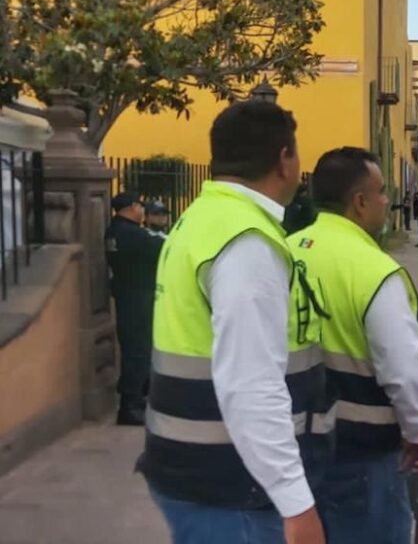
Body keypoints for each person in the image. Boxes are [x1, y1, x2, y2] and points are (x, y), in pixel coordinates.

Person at [138, 101, 327, 544]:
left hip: (195, 470)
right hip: (231, 487)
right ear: (284, 159)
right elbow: (250, 383)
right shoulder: (247, 242)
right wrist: (296, 502)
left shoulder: (200, 219)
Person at [289, 147, 418, 544]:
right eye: (382, 192)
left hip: (288, 446)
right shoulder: (374, 271)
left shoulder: (283, 252)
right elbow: (403, 371)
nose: (387, 201)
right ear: (359, 202)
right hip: (358, 451)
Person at [105, 191, 165, 426]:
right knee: (138, 353)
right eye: (140, 206)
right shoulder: (134, 234)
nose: (142, 210)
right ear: (131, 207)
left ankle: (134, 400)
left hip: (126, 295)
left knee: (133, 350)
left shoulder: (114, 231)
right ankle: (130, 407)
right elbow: (162, 247)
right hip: (139, 297)